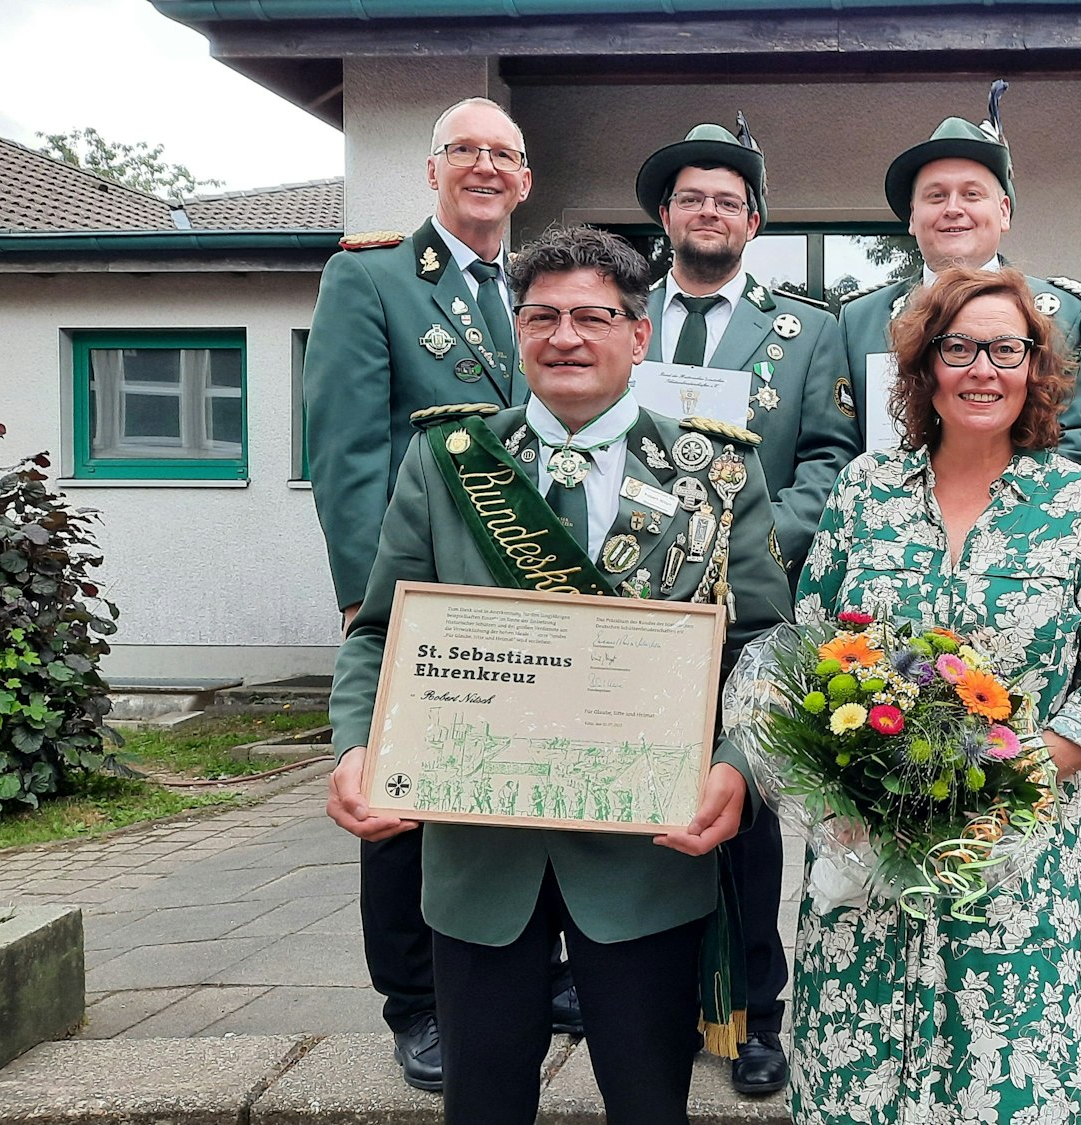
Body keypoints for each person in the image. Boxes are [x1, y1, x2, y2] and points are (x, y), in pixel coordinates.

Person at [325, 223, 793, 1125]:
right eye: (540, 316)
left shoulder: (716, 472)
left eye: (592, 316)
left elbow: (765, 646)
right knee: (482, 1105)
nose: (565, 337)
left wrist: (735, 764)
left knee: (650, 1102)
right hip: (478, 856)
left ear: (639, 332)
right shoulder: (449, 460)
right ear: (515, 329)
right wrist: (354, 746)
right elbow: (377, 632)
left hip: (645, 856)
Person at [787, 267, 1081, 1124]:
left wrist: (1027, 766)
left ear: (1033, 369)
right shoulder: (863, 494)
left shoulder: (1079, 506)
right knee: (858, 1069)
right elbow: (808, 644)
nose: (982, 368)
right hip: (866, 846)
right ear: (925, 367)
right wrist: (841, 774)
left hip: (1013, 847)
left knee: (1005, 1068)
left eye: (1005, 349)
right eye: (959, 348)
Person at [300, 95, 577, 1090]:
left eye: (504, 153)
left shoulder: (540, 288)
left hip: (540, 594)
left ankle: (532, 967)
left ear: (526, 178)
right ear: (432, 169)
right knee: (401, 793)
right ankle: (414, 1002)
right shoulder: (371, 278)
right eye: (465, 150)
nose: (486, 168)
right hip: (422, 591)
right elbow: (343, 452)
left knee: (523, 776)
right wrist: (361, 596)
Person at [634, 118, 859, 1095]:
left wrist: (750, 538)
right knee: (638, 803)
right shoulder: (616, 313)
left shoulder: (805, 332)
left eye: (728, 199)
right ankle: (650, 1003)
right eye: (693, 197)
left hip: (746, 606)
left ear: (752, 220)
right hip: (628, 607)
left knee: (745, 814)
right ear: (664, 214)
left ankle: (750, 1017)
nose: (710, 211)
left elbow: (826, 460)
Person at [840, 81, 1081, 483]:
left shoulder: (1075, 315)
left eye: (972, 194)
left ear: (1003, 212)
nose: (954, 209)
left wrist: (991, 507)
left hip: (1029, 532)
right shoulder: (858, 321)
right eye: (936, 197)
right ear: (912, 217)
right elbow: (840, 444)